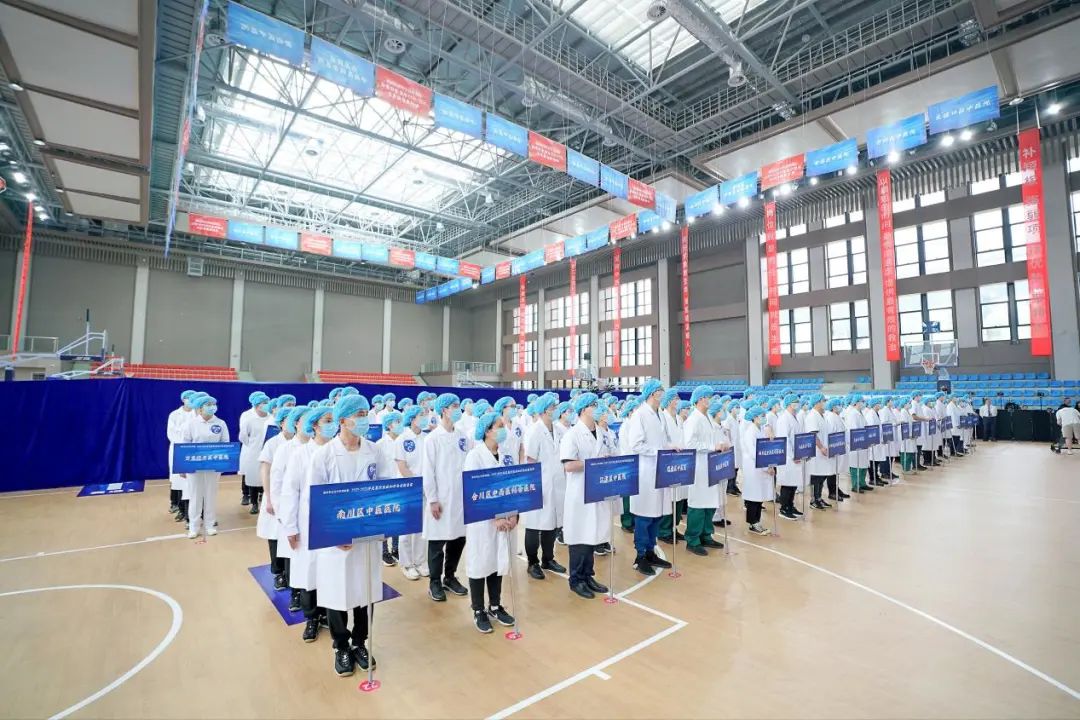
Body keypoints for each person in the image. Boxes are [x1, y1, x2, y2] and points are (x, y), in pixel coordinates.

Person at [311, 394, 396, 677]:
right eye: (359, 415)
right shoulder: (324, 455)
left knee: (365, 590)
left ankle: (360, 642)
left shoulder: (374, 450)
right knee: (337, 592)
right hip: (336, 541)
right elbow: (315, 500)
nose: (364, 419)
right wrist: (334, 534)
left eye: (365, 413)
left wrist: (383, 526)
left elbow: (386, 487)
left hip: (367, 535)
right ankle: (341, 646)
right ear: (343, 419)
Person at [463, 412, 519, 633]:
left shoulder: (506, 454)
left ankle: (495, 605)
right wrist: (493, 517)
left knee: (498, 561)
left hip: (505, 517)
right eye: (499, 426)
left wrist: (513, 514)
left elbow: (514, 485)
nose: (503, 429)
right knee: (480, 562)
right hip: (482, 521)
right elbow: (473, 491)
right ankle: (478, 609)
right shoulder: (474, 456)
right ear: (487, 430)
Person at [280, 406, 332, 642]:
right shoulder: (300, 454)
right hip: (307, 522)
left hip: (332, 524)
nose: (332, 425)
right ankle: (311, 618)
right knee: (308, 571)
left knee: (330, 571)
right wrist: (290, 526)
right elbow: (290, 492)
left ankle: (329, 615)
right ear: (314, 425)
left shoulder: (336, 451)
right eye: (327, 421)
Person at [558, 393, 611, 599]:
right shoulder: (572, 434)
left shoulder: (601, 432)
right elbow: (569, 465)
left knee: (592, 533)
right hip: (579, 492)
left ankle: (588, 575)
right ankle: (576, 580)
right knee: (580, 535)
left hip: (597, 490)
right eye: (593, 405)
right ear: (582, 409)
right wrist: (594, 463)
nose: (598, 408)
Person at [421, 393, 469, 602]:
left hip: (460, 498)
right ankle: (434, 581)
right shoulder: (432, 439)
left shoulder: (463, 436)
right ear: (444, 410)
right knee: (437, 541)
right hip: (441, 498)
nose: (458, 409)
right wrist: (432, 499)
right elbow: (428, 471)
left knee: (458, 539)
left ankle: (450, 576)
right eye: (454, 406)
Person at [625, 379, 676, 577]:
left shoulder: (660, 414)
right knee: (645, 516)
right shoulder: (640, 414)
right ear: (653, 393)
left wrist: (671, 448)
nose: (663, 393)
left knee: (657, 514)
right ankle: (640, 557)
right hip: (646, 472)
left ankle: (650, 552)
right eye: (660, 390)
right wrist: (659, 452)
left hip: (659, 470)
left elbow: (663, 440)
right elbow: (636, 444)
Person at [522, 395, 567, 579]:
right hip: (540, 484)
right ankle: (532, 562)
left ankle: (548, 559)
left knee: (552, 523)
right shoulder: (534, 431)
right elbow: (530, 461)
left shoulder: (559, 430)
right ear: (543, 410)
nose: (555, 409)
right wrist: (534, 488)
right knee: (534, 525)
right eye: (552, 407)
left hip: (558, 484)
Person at [682, 386, 725, 555]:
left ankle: (706, 535)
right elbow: (689, 444)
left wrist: (721, 444)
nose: (710, 400)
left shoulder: (707, 418)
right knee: (698, 504)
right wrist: (712, 446)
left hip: (710, 465)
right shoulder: (693, 419)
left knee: (710, 502)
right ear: (700, 399)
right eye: (708, 397)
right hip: (699, 467)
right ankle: (692, 539)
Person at [180, 395, 230, 539]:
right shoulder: (191, 424)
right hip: (194, 467)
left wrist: (222, 462)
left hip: (213, 466)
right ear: (200, 408)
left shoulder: (220, 423)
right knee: (195, 497)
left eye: (213, 404)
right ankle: (194, 527)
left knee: (211, 496)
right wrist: (184, 467)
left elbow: (225, 443)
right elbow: (184, 445)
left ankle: (210, 525)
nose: (211, 407)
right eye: (208, 404)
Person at [257, 407, 292, 589]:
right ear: (281, 423)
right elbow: (265, 471)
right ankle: (278, 573)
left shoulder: (301, 442)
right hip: (275, 494)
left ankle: (291, 573)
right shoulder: (272, 443)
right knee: (275, 534)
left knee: (290, 534)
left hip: (292, 496)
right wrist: (269, 498)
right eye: (289, 419)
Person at [393, 406, 429, 581]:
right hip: (408, 488)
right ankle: (407, 564)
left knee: (422, 527)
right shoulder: (402, 439)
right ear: (412, 418)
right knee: (407, 528)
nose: (425, 417)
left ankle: (420, 561)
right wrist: (416, 485)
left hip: (425, 488)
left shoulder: (427, 438)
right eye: (422, 415)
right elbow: (402, 466)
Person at [657, 388, 686, 545]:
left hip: (681, 460)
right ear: (668, 401)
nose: (677, 401)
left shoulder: (679, 419)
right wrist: (671, 447)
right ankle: (664, 530)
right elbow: (661, 440)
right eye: (675, 398)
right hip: (669, 460)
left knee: (679, 495)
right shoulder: (662, 417)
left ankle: (674, 527)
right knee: (669, 497)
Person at [739, 407, 773, 535]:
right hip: (754, 468)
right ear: (754, 417)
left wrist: (769, 465)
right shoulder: (750, 432)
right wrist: (766, 467)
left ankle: (757, 521)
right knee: (754, 496)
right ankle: (753, 523)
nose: (764, 418)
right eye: (761, 416)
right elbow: (754, 453)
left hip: (760, 467)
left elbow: (764, 449)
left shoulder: (760, 430)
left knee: (759, 496)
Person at [376, 411, 404, 568]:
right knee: (385, 519)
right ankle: (384, 551)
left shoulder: (403, 441)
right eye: (396, 422)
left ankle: (396, 548)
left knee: (397, 519)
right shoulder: (380, 444)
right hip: (385, 486)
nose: (400, 424)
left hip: (400, 484)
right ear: (388, 425)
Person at [238, 391, 271, 512]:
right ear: (256, 405)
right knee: (252, 477)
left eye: (267, 402)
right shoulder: (249, 418)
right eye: (263, 403)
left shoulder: (271, 418)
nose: (266, 405)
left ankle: (264, 499)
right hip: (253, 452)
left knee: (265, 476)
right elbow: (243, 437)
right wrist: (252, 446)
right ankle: (253, 502)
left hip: (267, 451)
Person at [167, 390, 196, 516]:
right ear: (183, 399)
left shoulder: (197, 414)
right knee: (178, 480)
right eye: (187, 398)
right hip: (178, 450)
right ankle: (178, 506)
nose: (190, 400)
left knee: (191, 482)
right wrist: (184, 445)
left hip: (193, 451)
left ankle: (191, 510)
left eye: (192, 398)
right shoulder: (174, 415)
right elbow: (172, 434)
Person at [776, 394, 804, 519]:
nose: (797, 403)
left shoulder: (794, 417)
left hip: (796, 455)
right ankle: (784, 508)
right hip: (788, 457)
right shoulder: (784, 419)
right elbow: (784, 440)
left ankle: (790, 505)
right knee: (787, 483)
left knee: (793, 483)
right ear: (788, 404)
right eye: (794, 402)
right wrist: (793, 455)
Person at [802, 395, 830, 510]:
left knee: (822, 475)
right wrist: (821, 447)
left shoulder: (821, 415)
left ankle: (819, 498)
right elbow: (813, 434)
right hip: (816, 451)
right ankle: (814, 500)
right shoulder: (812, 416)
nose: (825, 403)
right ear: (817, 402)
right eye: (823, 401)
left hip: (822, 451)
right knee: (816, 476)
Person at [843, 395, 871, 492]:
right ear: (856, 402)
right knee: (856, 464)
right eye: (862, 401)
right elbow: (854, 430)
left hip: (863, 441)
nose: (863, 403)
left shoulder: (860, 413)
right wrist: (861, 438)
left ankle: (862, 483)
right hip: (856, 442)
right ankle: (855, 485)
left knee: (863, 464)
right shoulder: (852, 414)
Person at [863, 397, 888, 487]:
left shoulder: (876, 413)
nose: (880, 405)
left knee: (876, 460)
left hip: (878, 441)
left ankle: (876, 477)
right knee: (872, 460)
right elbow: (871, 429)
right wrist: (873, 440)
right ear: (875, 404)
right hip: (873, 441)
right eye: (878, 403)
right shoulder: (870, 414)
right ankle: (872, 479)